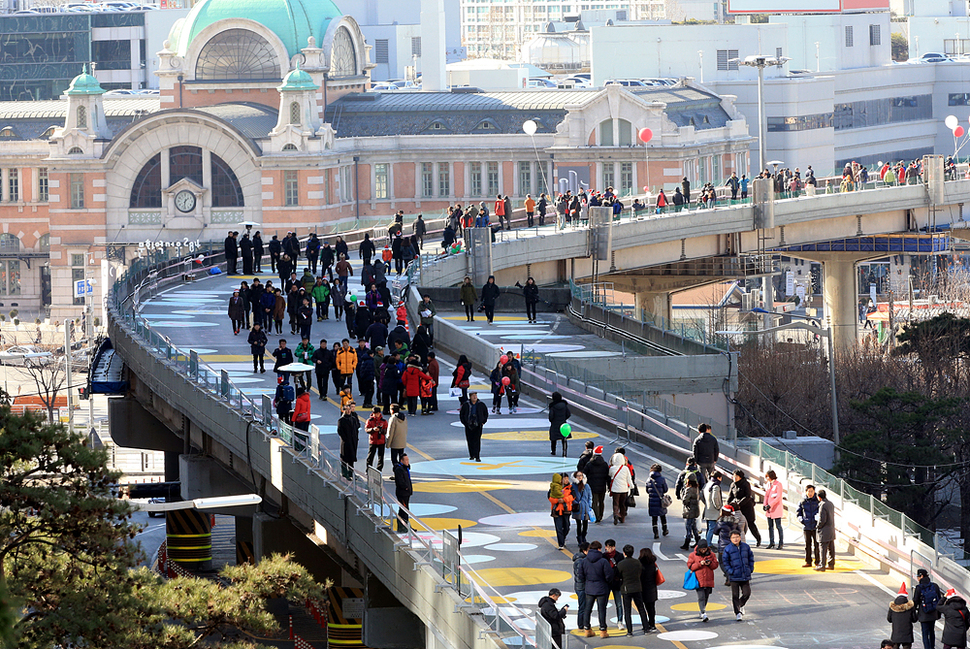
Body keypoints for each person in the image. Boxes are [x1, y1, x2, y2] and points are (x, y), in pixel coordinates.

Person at [579, 540, 614, 639]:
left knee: (587, 609)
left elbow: (580, 575)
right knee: (601, 609)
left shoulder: (584, 561)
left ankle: (587, 629)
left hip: (589, 587)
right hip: (601, 588)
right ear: (599, 549)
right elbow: (609, 575)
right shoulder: (603, 561)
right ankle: (603, 630)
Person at [722, 530, 755, 621]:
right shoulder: (728, 549)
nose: (735, 539)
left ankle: (740, 604)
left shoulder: (746, 547)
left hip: (745, 574)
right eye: (733, 537)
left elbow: (751, 558)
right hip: (734, 576)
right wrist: (730, 571)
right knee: (735, 595)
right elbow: (725, 562)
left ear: (740, 537)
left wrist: (750, 568)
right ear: (730, 539)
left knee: (747, 593)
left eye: (737, 537)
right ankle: (737, 612)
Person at [687, 539, 719, 623]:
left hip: (709, 579)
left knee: (706, 596)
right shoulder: (693, 555)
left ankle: (702, 609)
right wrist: (699, 564)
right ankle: (703, 612)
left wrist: (710, 563)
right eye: (701, 549)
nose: (703, 551)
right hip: (698, 579)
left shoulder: (711, 555)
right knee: (701, 597)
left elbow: (715, 565)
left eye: (705, 549)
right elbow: (690, 566)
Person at [728, 469, 761, 547]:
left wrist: (739, 504)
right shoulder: (733, 485)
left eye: (736, 476)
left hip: (747, 507)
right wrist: (728, 505)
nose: (734, 478)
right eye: (734, 476)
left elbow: (747, 496)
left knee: (750, 524)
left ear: (740, 477)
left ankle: (758, 539)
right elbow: (730, 496)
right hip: (737, 508)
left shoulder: (746, 484)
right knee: (737, 525)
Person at [913, 568, 942, 649]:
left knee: (925, 634)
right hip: (933, 613)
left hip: (923, 614)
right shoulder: (935, 586)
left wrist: (913, 611)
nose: (917, 578)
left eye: (918, 576)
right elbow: (939, 600)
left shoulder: (919, 587)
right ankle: (932, 647)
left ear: (921, 576)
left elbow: (915, 600)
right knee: (931, 632)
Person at [459, 391, 488, 462]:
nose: (475, 397)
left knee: (477, 440)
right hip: (469, 424)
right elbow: (462, 414)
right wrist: (465, 423)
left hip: (478, 424)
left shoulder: (481, 404)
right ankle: (472, 455)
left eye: (475, 395)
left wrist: (483, 422)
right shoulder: (466, 404)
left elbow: (485, 413)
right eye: (473, 396)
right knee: (470, 440)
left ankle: (477, 455)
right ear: (470, 397)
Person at [796, 484, 821, 567]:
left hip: (815, 526)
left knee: (817, 545)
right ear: (806, 492)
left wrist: (818, 521)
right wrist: (802, 520)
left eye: (812, 491)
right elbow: (798, 513)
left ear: (814, 492)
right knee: (807, 545)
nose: (810, 493)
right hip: (806, 526)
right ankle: (808, 561)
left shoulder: (818, 501)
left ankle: (817, 561)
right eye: (809, 491)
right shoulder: (802, 502)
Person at [548, 473, 574, 550]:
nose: (566, 480)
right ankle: (561, 543)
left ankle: (563, 536)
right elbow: (550, 497)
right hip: (556, 510)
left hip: (566, 510)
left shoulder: (570, 488)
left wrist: (564, 500)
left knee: (567, 526)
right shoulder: (554, 488)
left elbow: (573, 496)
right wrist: (557, 501)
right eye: (564, 479)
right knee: (559, 527)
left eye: (567, 478)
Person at [585, 446, 609, 525]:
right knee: (601, 501)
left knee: (594, 502)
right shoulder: (605, 464)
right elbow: (607, 476)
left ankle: (596, 516)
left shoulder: (589, 464)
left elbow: (584, 474)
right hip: (602, 486)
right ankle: (600, 516)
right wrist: (608, 486)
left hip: (592, 485)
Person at [637, 548, 659, 632]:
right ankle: (652, 624)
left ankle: (646, 625)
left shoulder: (640, 564)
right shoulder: (653, 563)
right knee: (651, 608)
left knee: (643, 608)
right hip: (652, 587)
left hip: (642, 588)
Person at [337, 400, 360, 479]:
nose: (349, 411)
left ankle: (351, 473)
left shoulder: (353, 419)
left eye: (349, 409)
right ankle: (344, 473)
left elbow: (357, 426)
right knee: (345, 458)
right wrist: (346, 439)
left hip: (353, 441)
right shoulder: (342, 420)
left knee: (351, 459)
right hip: (346, 442)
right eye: (347, 410)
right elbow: (340, 431)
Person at [646, 463, 670, 539]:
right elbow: (665, 489)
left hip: (652, 500)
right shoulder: (662, 479)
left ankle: (656, 533)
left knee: (654, 518)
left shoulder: (649, 480)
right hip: (660, 501)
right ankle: (665, 530)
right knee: (663, 516)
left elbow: (647, 490)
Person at [608, 452, 633, 525]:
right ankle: (622, 518)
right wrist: (631, 487)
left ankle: (616, 513)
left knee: (616, 503)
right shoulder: (625, 468)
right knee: (623, 504)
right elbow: (629, 478)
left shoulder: (612, 468)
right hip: (624, 489)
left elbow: (609, 475)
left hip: (615, 489)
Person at [764, 469, 784, 550]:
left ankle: (781, 542)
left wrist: (770, 505)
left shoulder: (778, 484)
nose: (767, 479)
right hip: (769, 509)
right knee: (770, 526)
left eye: (767, 477)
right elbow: (766, 495)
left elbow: (778, 497)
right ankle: (771, 542)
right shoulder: (768, 484)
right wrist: (765, 504)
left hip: (776, 508)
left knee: (778, 526)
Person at [816, 489, 836, 571]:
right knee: (831, 548)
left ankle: (822, 564)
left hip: (824, 530)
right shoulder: (830, 504)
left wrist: (818, 526)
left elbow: (822, 519)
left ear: (819, 497)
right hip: (831, 529)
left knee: (823, 548)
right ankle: (831, 564)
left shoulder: (822, 505)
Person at [572, 542, 590, 634]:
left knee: (584, 606)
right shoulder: (580, 561)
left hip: (581, 586)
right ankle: (581, 625)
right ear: (584, 551)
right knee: (583, 606)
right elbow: (580, 575)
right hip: (581, 587)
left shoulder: (580, 559)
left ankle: (583, 624)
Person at [548, 391, 572, 457]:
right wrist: (564, 418)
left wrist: (552, 421)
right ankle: (564, 451)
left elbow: (551, 416)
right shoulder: (564, 405)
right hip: (563, 423)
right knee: (564, 438)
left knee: (553, 438)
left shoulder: (552, 406)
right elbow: (568, 414)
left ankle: (553, 451)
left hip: (555, 424)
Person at [680, 475, 701, 551]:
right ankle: (698, 541)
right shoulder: (697, 488)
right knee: (694, 527)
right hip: (695, 510)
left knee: (688, 527)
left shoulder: (689, 489)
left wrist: (682, 493)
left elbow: (685, 500)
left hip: (689, 511)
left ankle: (686, 543)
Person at [703, 471, 724, 545]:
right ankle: (708, 544)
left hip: (707, 509)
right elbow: (715, 498)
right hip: (713, 511)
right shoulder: (716, 486)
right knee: (712, 528)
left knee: (709, 528)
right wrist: (718, 507)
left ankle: (707, 542)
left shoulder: (708, 484)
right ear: (718, 477)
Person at [393, 453, 413, 530]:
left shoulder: (405, 468)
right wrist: (406, 487)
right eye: (406, 460)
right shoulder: (399, 469)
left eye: (408, 460)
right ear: (401, 460)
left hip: (406, 493)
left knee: (405, 509)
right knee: (404, 509)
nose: (408, 461)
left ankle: (405, 525)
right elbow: (400, 482)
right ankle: (403, 526)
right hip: (402, 493)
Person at [572, 471, 592, 545]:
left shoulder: (586, 486)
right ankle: (579, 538)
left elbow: (590, 496)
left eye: (581, 475)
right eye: (578, 475)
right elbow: (571, 496)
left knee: (585, 523)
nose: (580, 477)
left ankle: (583, 537)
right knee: (578, 524)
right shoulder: (573, 486)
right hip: (578, 507)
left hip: (586, 507)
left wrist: (590, 505)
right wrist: (575, 502)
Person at [385, 403, 408, 467]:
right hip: (402, 442)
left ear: (392, 410)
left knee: (394, 459)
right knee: (401, 459)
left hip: (395, 443)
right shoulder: (404, 418)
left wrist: (387, 444)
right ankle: (403, 473)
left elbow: (390, 432)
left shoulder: (393, 418)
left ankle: (397, 474)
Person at [365, 407, 387, 471]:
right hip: (373, 441)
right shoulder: (369, 420)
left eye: (377, 413)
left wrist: (381, 430)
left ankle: (379, 470)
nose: (376, 415)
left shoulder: (383, 421)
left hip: (381, 441)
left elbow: (386, 430)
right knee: (370, 457)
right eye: (374, 413)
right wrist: (373, 429)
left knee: (381, 457)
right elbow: (366, 429)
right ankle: (368, 469)